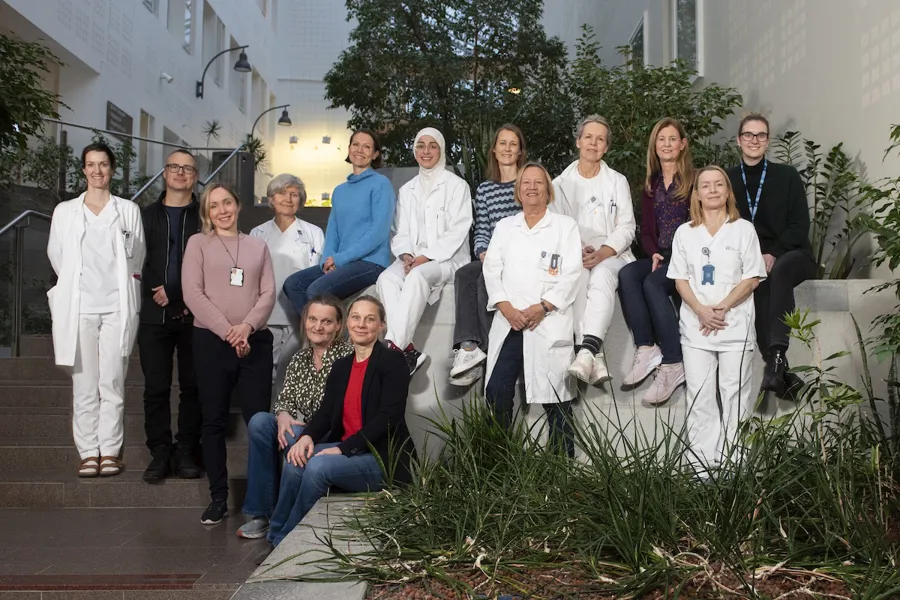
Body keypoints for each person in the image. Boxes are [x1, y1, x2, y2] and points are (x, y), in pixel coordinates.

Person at [266, 295, 415, 547]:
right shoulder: (342, 366)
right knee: (295, 458)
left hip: (381, 457)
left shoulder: (392, 362)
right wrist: (306, 437)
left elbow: (389, 418)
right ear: (347, 323)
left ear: (381, 325)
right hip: (350, 451)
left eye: (370, 319)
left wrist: (343, 448)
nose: (361, 324)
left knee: (318, 466)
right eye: (356, 318)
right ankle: (275, 534)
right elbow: (326, 413)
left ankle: (287, 541)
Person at [46, 142, 146, 477]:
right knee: (85, 383)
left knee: (112, 382)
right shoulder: (65, 212)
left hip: (117, 307)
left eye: (103, 164)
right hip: (80, 309)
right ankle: (89, 452)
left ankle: (110, 452)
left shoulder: (128, 210)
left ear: (112, 169)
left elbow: (137, 257)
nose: (97, 170)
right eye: (91, 164)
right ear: (83, 169)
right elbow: (57, 257)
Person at [182, 183, 276, 526]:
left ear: (237, 205)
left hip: (255, 341)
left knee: (259, 423)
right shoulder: (198, 244)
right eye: (214, 206)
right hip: (211, 342)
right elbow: (193, 293)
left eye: (227, 203)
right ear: (207, 212)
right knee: (213, 421)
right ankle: (218, 498)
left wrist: (246, 328)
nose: (222, 210)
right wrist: (229, 332)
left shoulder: (258, 246)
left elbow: (268, 293)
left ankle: (262, 503)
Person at [667, 166, 766, 469]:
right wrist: (700, 310)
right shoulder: (685, 233)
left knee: (735, 398)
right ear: (696, 194)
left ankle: (734, 467)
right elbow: (680, 279)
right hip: (696, 329)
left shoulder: (743, 230)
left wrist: (722, 307)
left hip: (734, 326)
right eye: (705, 185)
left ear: (727, 192)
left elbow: (752, 278)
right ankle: (701, 467)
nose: (712, 190)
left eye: (718, 184)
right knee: (699, 397)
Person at [483, 163, 583, 457]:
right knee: (497, 390)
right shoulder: (505, 227)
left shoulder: (564, 226)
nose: (532, 187)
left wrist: (543, 306)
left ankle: (562, 466)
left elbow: (572, 273)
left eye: (539, 183)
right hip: (511, 322)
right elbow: (492, 270)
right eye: (526, 183)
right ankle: (501, 461)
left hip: (547, 322)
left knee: (556, 397)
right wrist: (506, 308)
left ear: (548, 191)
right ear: (518, 191)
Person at [237, 295, 352, 540]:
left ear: (338, 326)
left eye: (326, 321)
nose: (318, 326)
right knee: (260, 422)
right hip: (305, 430)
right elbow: (285, 399)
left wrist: (304, 431)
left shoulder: (347, 356)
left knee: (295, 436)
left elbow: (338, 409)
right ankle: (262, 514)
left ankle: (284, 519)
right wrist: (282, 415)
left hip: (334, 433)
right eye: (312, 319)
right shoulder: (300, 359)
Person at [726, 113, 815, 399]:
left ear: (767, 140)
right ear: (739, 140)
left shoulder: (786, 175)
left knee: (779, 270)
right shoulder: (727, 179)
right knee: (759, 284)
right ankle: (779, 371)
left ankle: (777, 353)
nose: (754, 140)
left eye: (760, 135)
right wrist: (752, 258)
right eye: (748, 135)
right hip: (751, 259)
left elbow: (800, 224)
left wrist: (773, 253)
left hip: (792, 253)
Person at [376, 127, 472, 375]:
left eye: (432, 146)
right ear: (414, 150)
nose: (426, 151)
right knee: (386, 279)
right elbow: (400, 231)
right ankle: (408, 349)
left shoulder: (457, 186)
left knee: (418, 275)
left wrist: (426, 257)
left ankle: (393, 349)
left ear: (441, 150)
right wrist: (407, 255)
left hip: (448, 260)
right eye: (420, 145)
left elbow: (458, 230)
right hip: (413, 258)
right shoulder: (407, 190)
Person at [551, 115, 636, 386]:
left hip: (612, 255)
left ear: (606, 147)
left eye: (600, 139)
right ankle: (593, 355)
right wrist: (579, 250)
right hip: (576, 254)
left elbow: (627, 226)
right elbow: (558, 226)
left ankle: (585, 350)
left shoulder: (617, 181)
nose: (593, 143)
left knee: (601, 275)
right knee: (578, 277)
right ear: (578, 141)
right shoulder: (559, 185)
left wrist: (603, 252)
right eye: (588, 137)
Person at [618, 118, 694, 405]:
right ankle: (647, 347)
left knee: (653, 283)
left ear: (682, 144)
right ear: (655, 145)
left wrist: (678, 256)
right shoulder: (651, 184)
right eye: (661, 139)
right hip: (662, 255)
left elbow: (698, 225)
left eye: (672, 139)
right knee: (628, 274)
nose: (666, 144)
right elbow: (647, 232)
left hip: (687, 258)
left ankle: (674, 361)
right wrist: (653, 253)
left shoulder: (694, 181)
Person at [138, 148, 203, 483]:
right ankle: (160, 452)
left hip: (196, 315)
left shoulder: (205, 216)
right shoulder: (144, 216)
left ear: (195, 176)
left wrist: (179, 293)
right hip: (154, 313)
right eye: (174, 167)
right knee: (155, 388)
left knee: (193, 387)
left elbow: (213, 262)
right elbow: (136, 260)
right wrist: (159, 290)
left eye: (187, 168)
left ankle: (187, 449)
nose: (180, 172)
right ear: (164, 173)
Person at [282, 130, 395, 314]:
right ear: (349, 149)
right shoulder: (339, 191)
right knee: (293, 284)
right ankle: (320, 330)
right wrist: (326, 261)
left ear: (375, 154)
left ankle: (324, 332)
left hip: (370, 263)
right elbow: (333, 230)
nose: (359, 150)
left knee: (316, 291)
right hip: (343, 262)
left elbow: (378, 232)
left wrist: (340, 259)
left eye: (367, 147)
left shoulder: (381, 184)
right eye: (355, 144)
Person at [450, 124, 526, 386]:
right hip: (492, 257)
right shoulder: (484, 189)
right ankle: (469, 347)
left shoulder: (526, 183)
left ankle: (492, 348)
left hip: (519, 257)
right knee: (464, 274)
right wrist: (482, 251)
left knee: (485, 281)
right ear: (493, 149)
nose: (507, 149)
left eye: (513, 144)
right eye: (502, 143)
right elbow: (482, 229)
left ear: (520, 151)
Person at [250, 174, 325, 383]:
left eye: (294, 194)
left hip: (298, 313)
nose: (288, 199)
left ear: (301, 200)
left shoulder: (314, 233)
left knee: (295, 373)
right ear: (271, 199)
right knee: (266, 374)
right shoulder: (258, 233)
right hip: (267, 314)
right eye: (282, 193)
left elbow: (319, 274)